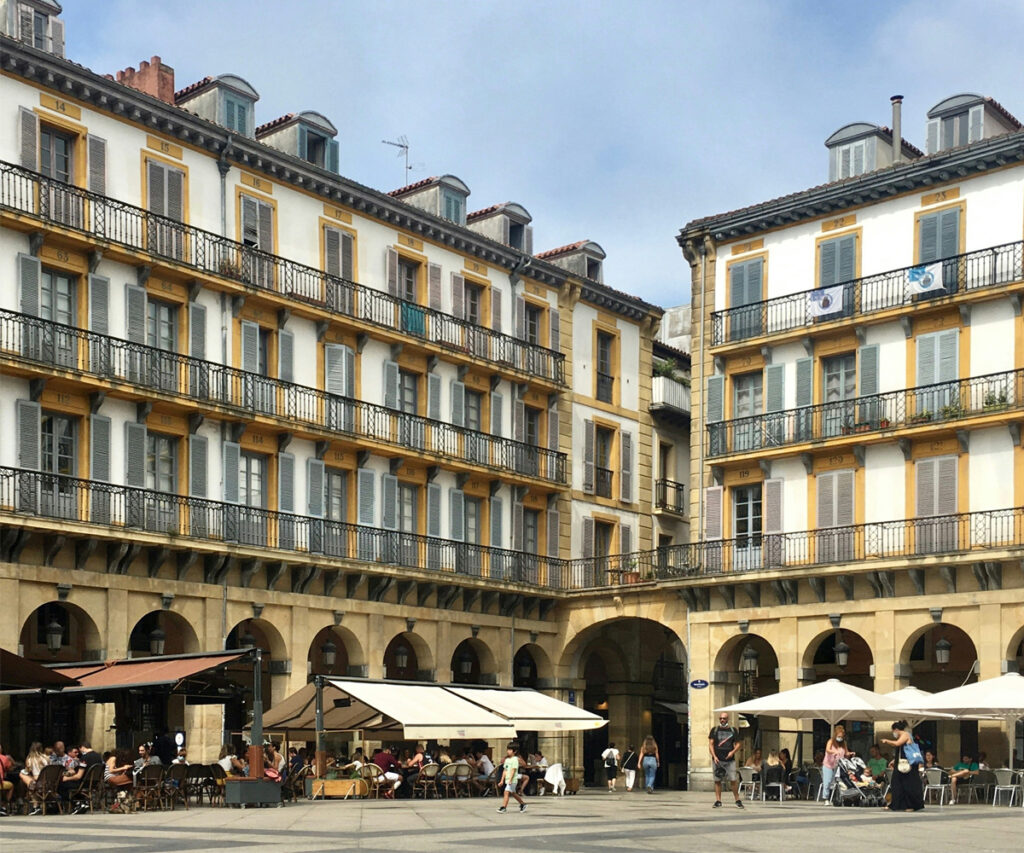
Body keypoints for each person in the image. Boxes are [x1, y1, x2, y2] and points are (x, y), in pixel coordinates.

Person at [881, 721, 924, 812]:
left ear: (896, 730)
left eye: (893, 731)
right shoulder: (902, 736)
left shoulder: (905, 735)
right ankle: (896, 804)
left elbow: (897, 744)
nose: (893, 733)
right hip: (900, 763)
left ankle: (911, 805)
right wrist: (894, 760)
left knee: (909, 785)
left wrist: (886, 741)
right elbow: (901, 751)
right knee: (897, 784)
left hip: (908, 764)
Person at [708, 714, 742, 809]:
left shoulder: (733, 730)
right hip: (717, 759)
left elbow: (739, 743)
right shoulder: (715, 730)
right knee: (717, 780)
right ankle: (718, 800)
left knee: (733, 780)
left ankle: (737, 800)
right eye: (721, 718)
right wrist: (714, 756)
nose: (722, 720)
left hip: (730, 760)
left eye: (724, 718)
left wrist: (733, 752)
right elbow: (711, 744)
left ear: (728, 719)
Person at [496, 742, 527, 813]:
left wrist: (510, 780)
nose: (508, 751)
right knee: (513, 793)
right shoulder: (507, 760)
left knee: (506, 792)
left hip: (512, 780)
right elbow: (505, 770)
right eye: (508, 750)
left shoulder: (515, 759)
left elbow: (513, 770)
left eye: (510, 750)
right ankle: (522, 804)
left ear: (514, 751)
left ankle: (504, 807)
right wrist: (501, 780)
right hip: (508, 780)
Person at [821, 725, 848, 803]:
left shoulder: (843, 743)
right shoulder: (831, 741)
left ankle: (835, 797)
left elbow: (846, 752)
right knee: (827, 781)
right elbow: (827, 749)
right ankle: (826, 798)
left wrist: (850, 753)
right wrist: (834, 752)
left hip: (838, 766)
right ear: (835, 735)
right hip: (828, 764)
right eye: (839, 736)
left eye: (841, 736)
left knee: (837, 782)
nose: (840, 738)